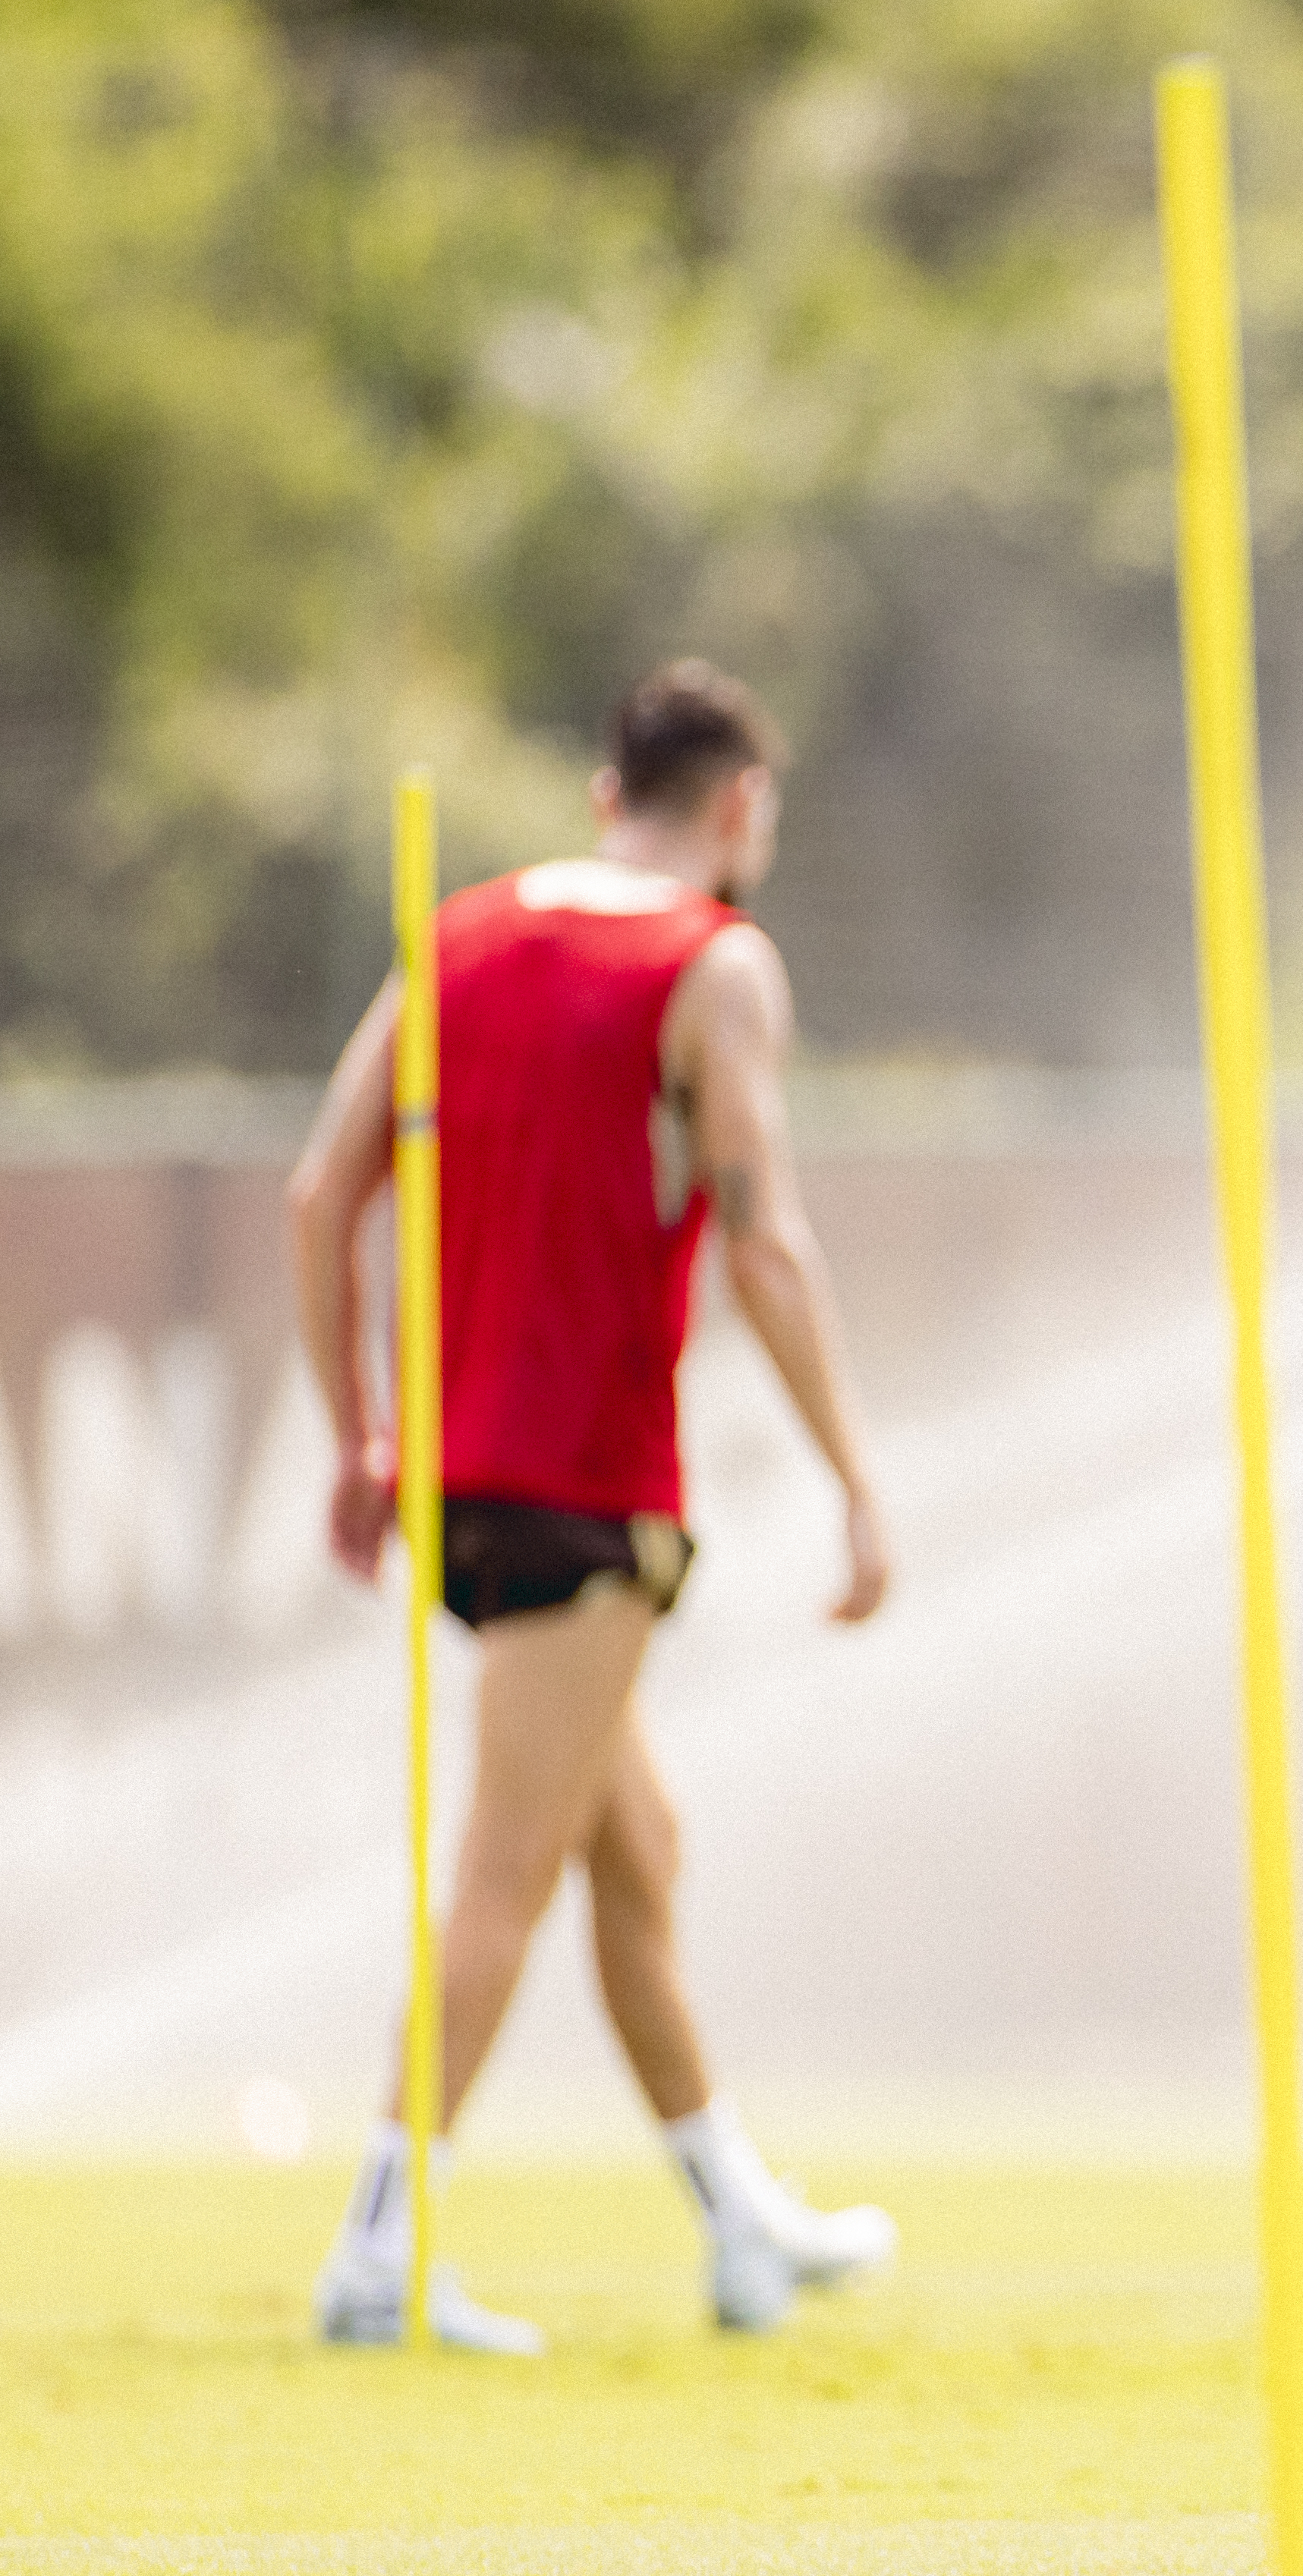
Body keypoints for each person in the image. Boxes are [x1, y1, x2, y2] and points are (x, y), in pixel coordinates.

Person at [285, 660, 897, 2353]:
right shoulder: (715, 961)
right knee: (504, 1871)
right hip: (590, 1486)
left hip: (461, 1483)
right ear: (741, 807)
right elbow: (763, 1234)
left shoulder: (459, 934)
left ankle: (734, 2219)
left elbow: (317, 1192)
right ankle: (377, 2245)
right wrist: (854, 1478)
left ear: (598, 793)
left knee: (639, 1847)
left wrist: (359, 1431)